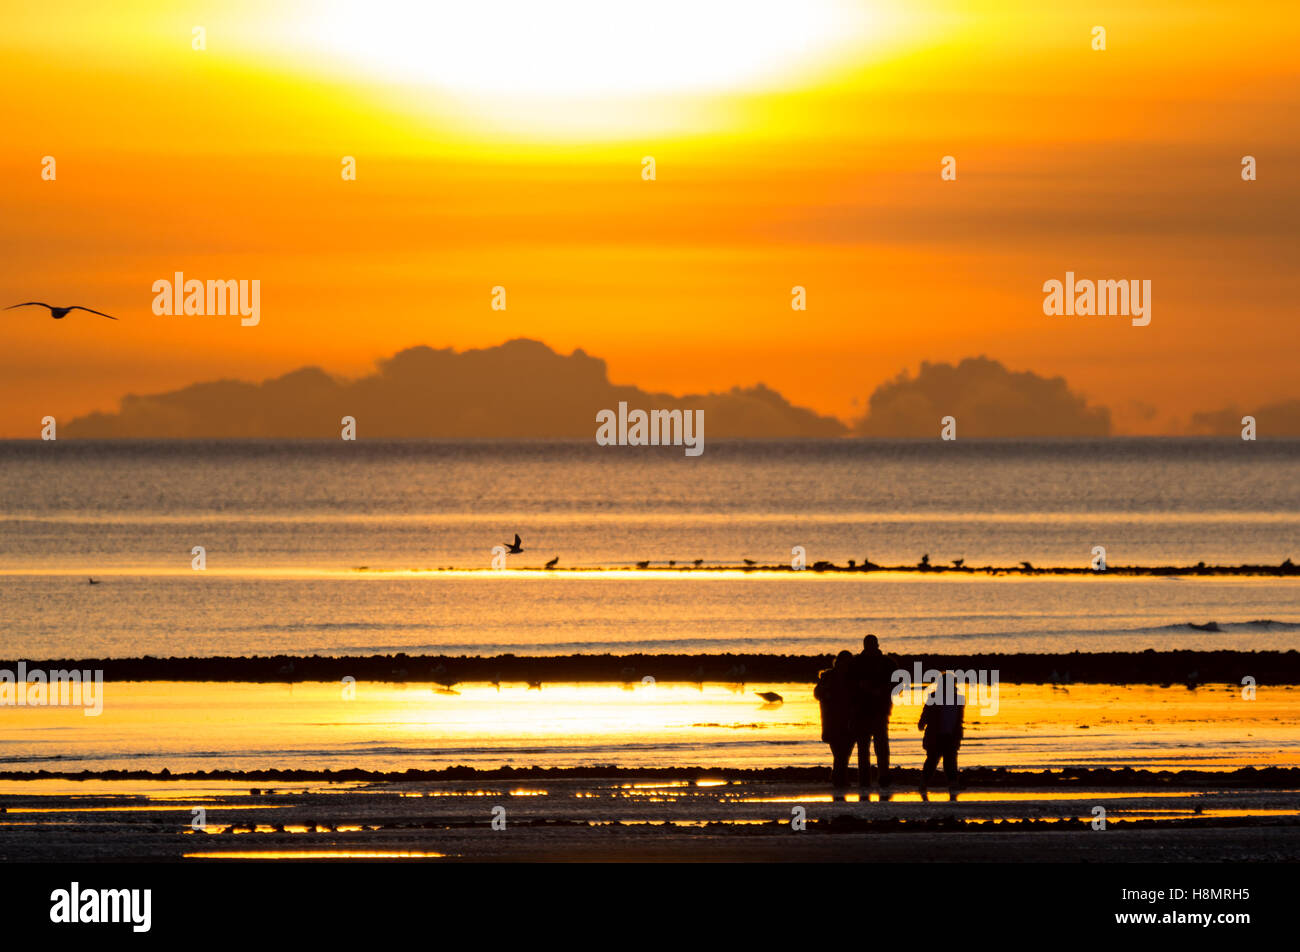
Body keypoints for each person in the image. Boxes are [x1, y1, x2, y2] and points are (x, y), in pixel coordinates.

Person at [851, 634, 894, 790]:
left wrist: (883, 690)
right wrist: (861, 687)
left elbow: (899, 682)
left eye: (872, 644)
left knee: (880, 747)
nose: (870, 647)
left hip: (879, 710)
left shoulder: (887, 663)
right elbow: (849, 684)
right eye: (868, 644)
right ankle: (866, 780)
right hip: (862, 711)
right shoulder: (856, 663)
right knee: (865, 748)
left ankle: (882, 777)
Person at [918, 671, 965, 800]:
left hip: (951, 734)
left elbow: (959, 718)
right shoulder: (934, 696)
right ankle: (924, 783)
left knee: (950, 761)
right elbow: (926, 712)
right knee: (932, 760)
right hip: (936, 734)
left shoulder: (959, 698)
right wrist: (922, 723)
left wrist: (958, 733)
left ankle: (952, 783)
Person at [813, 650, 856, 788]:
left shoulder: (851, 676)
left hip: (846, 718)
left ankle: (838, 777)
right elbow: (818, 693)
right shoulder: (829, 676)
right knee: (840, 752)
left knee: (843, 752)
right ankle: (839, 778)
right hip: (833, 718)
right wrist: (828, 695)